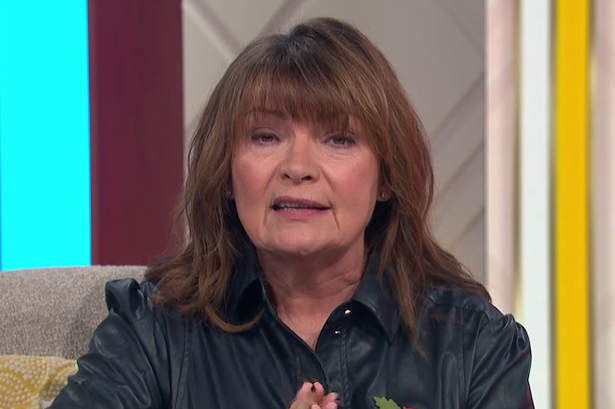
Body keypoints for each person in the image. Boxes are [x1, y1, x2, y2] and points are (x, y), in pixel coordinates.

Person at [50, 17, 533, 409]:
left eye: (338, 139)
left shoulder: (474, 346)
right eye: (266, 137)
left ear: (387, 177)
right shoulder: (153, 332)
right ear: (226, 172)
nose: (297, 167)